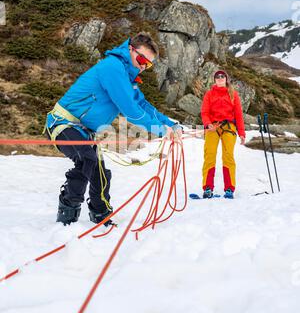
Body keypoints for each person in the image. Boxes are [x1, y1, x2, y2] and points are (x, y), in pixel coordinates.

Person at [45, 32, 182, 226]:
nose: (143, 66)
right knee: (87, 159)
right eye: (142, 59)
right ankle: (68, 210)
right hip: (63, 123)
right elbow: (131, 111)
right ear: (130, 50)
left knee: (100, 173)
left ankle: (100, 213)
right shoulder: (113, 68)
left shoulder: (127, 77)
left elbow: (142, 105)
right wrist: (160, 131)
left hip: (86, 131)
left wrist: (170, 124)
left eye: (148, 64)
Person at [200, 69, 246, 199]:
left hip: (229, 127)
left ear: (226, 79)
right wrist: (208, 123)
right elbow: (204, 112)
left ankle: (229, 189)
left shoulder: (233, 94)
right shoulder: (209, 94)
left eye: (222, 76)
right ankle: (208, 188)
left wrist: (241, 132)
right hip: (212, 127)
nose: (220, 78)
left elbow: (238, 115)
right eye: (217, 76)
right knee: (209, 155)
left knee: (228, 156)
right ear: (214, 80)